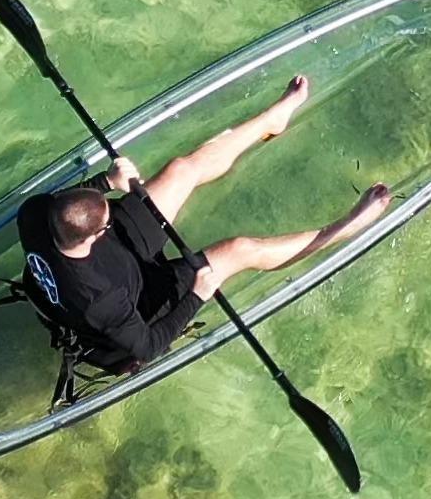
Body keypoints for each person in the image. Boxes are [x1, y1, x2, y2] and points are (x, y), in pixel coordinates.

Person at [19, 75, 390, 369]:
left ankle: (272, 119)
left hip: (119, 253)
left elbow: (75, 200)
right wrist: (198, 295)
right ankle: (341, 230)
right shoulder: (100, 303)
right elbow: (148, 347)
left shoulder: (34, 213)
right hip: (142, 302)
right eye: (107, 212)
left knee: (181, 170)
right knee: (239, 249)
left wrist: (106, 182)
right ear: (95, 233)